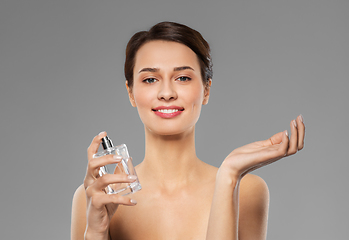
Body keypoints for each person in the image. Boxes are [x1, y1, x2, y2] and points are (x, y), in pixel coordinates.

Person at [71, 21, 305, 240]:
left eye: (182, 77)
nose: (166, 93)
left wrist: (228, 177)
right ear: (131, 92)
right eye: (150, 79)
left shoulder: (248, 191)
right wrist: (95, 232)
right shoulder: (94, 197)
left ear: (206, 90)